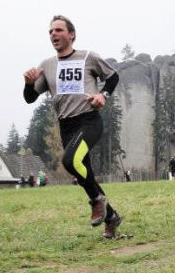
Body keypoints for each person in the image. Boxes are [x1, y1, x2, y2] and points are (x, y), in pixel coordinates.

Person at [23, 15, 122, 239]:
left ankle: (97, 201)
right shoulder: (47, 65)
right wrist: (28, 84)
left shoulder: (88, 57)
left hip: (88, 120)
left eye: (58, 30)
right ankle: (112, 217)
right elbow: (30, 98)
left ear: (71, 34)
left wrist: (102, 95)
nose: (53, 35)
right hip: (66, 125)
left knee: (69, 161)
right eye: (50, 32)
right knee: (85, 176)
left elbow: (113, 77)